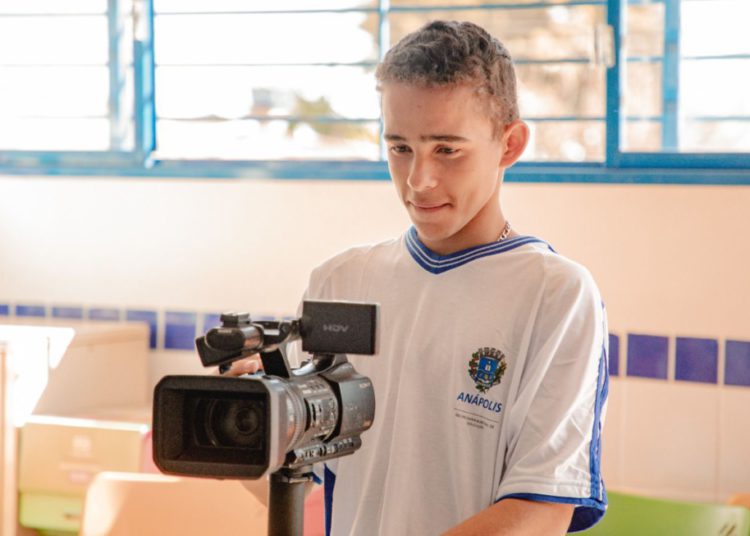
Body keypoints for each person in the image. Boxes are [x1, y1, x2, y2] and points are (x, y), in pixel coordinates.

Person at [232, 20, 608, 535]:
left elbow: (540, 513)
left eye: (447, 150)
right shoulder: (340, 281)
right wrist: (245, 425)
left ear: (510, 144)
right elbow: (306, 483)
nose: (418, 180)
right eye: (400, 147)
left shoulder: (556, 295)